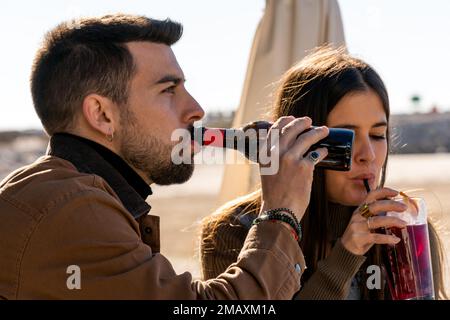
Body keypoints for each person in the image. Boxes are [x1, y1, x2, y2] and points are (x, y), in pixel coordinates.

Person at [0, 14, 330, 299]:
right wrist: (280, 213)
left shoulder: (61, 191)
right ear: (101, 115)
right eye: (168, 90)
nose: (197, 109)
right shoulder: (69, 206)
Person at [200, 46, 448, 300]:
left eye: (377, 135)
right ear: (297, 141)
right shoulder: (234, 229)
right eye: (345, 139)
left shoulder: (402, 228)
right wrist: (346, 256)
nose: (368, 155)